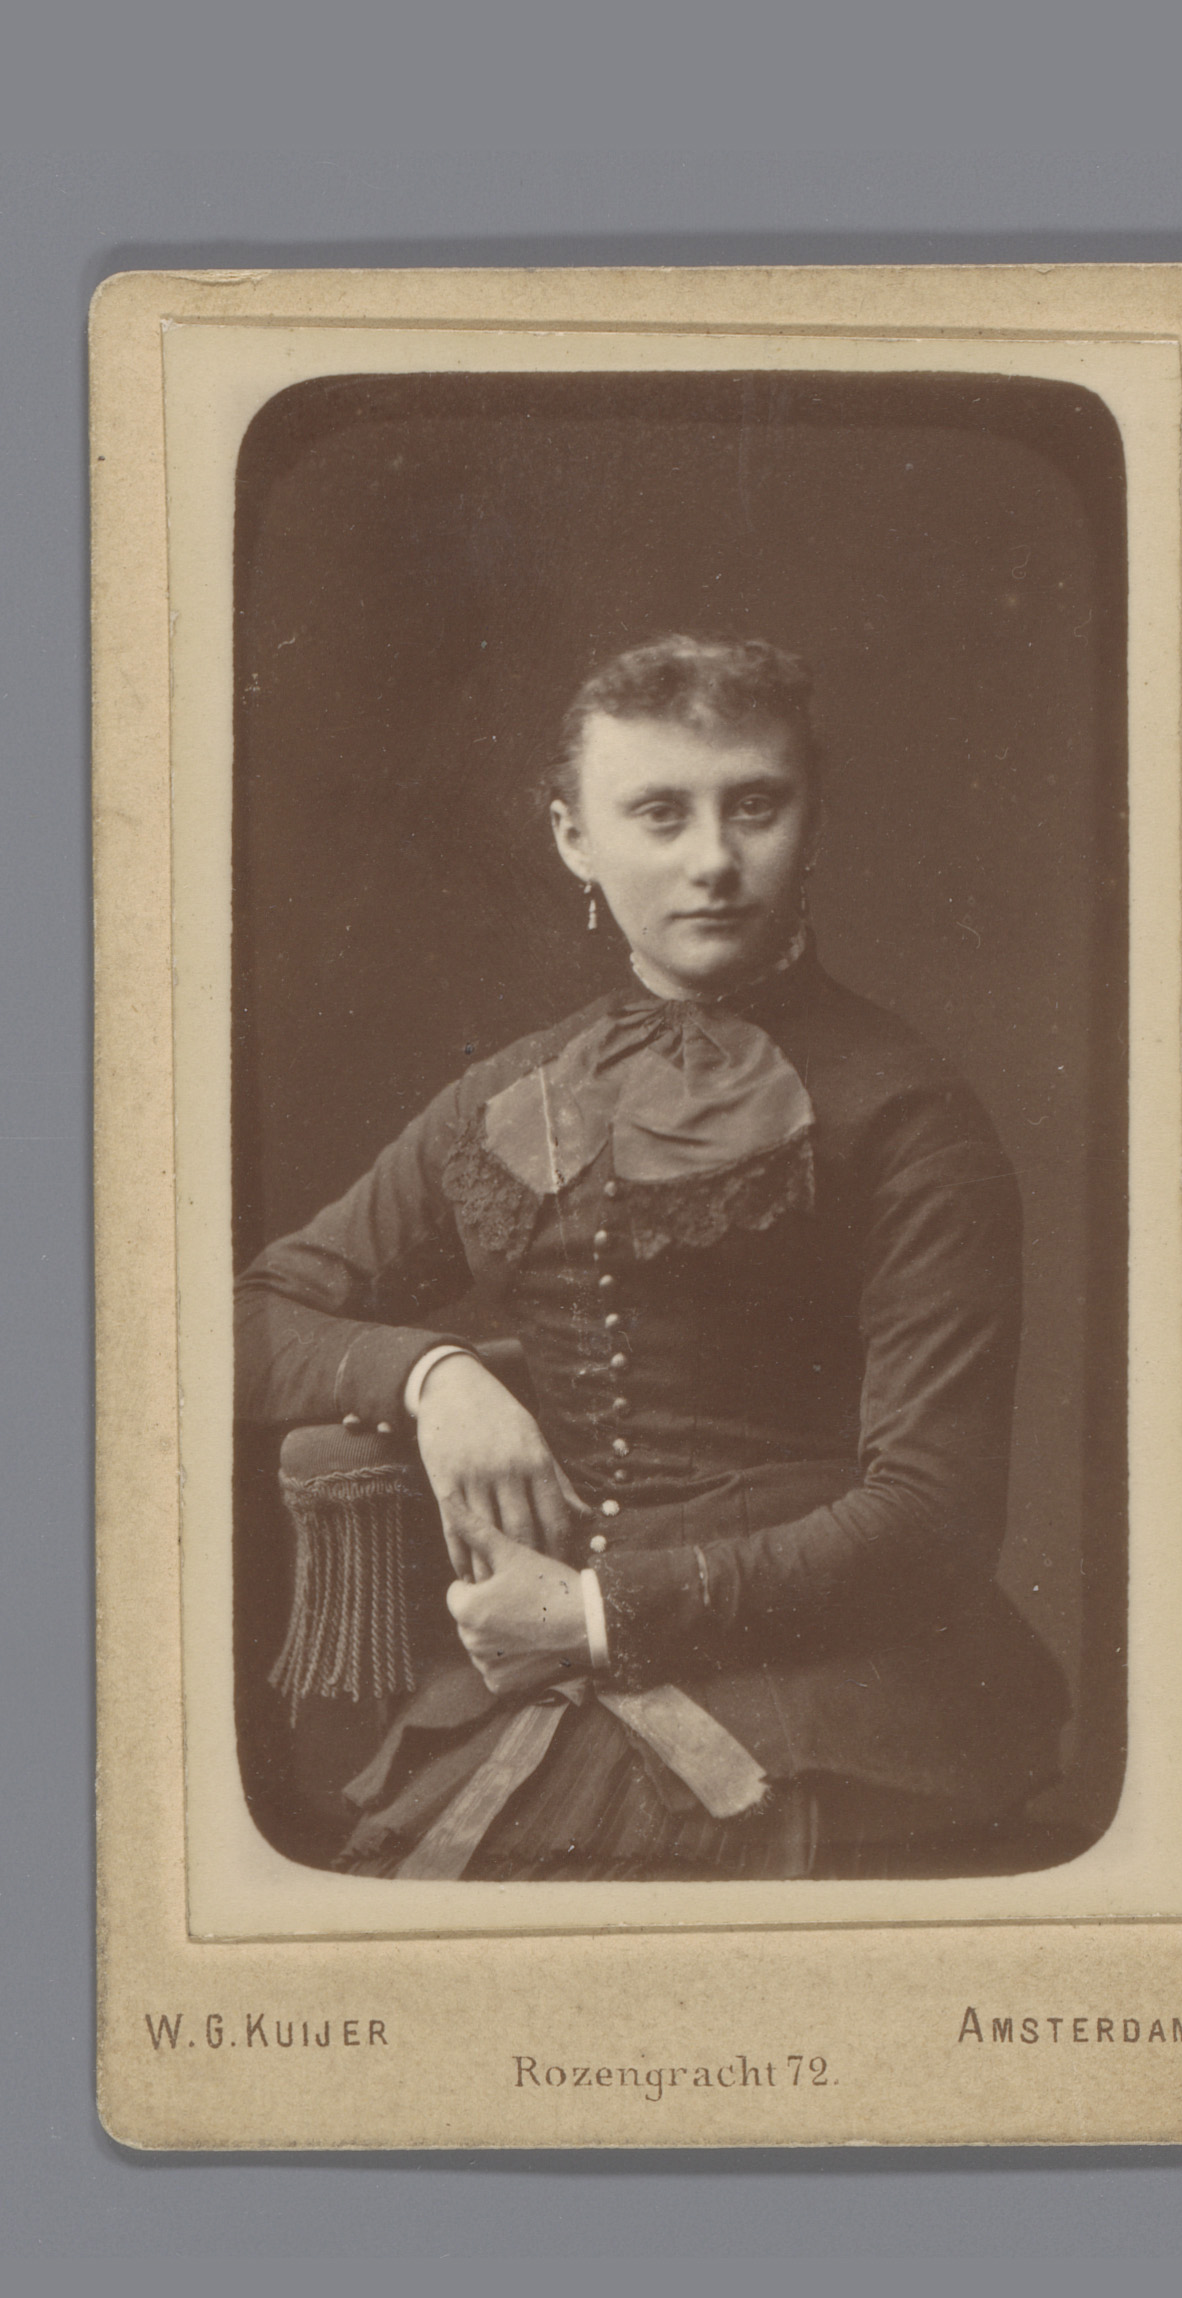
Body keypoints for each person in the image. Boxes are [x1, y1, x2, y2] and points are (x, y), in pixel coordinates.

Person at [235, 635, 1067, 1880]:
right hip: (543, 1668)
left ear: (814, 816)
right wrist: (434, 1376)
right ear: (574, 836)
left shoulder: (906, 1113)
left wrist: (590, 1614)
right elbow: (245, 1316)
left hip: (826, 1688)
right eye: (659, 813)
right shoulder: (508, 1096)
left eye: (755, 805)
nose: (713, 860)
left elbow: (930, 1518)